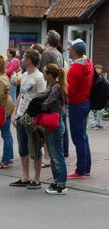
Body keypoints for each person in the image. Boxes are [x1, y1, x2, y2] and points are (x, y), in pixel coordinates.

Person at [10, 48, 46, 188]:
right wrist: (15, 113)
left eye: (24, 57)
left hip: (32, 119)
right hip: (21, 117)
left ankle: (36, 178)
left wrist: (36, 117)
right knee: (22, 148)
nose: (22, 59)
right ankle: (25, 176)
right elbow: (20, 95)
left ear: (29, 60)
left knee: (35, 148)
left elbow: (41, 98)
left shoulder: (39, 77)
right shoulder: (24, 75)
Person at [66, 38, 94, 179]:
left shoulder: (74, 69)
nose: (69, 50)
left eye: (70, 49)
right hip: (86, 102)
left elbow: (70, 91)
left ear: (75, 51)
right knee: (83, 136)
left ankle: (80, 170)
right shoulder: (88, 63)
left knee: (78, 138)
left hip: (76, 104)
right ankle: (86, 167)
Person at [42, 63, 69, 195]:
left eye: (45, 72)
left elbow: (47, 103)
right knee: (53, 156)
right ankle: (56, 180)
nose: (43, 74)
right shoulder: (52, 86)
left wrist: (37, 104)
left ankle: (62, 184)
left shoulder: (57, 87)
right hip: (51, 123)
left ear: (50, 75)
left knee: (57, 155)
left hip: (55, 123)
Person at [88, 64, 105, 129]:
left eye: (99, 69)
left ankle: (98, 123)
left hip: (100, 96)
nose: (97, 70)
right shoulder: (92, 77)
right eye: (96, 69)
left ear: (101, 70)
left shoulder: (102, 77)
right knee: (91, 111)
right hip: (93, 96)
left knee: (101, 111)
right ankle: (92, 124)